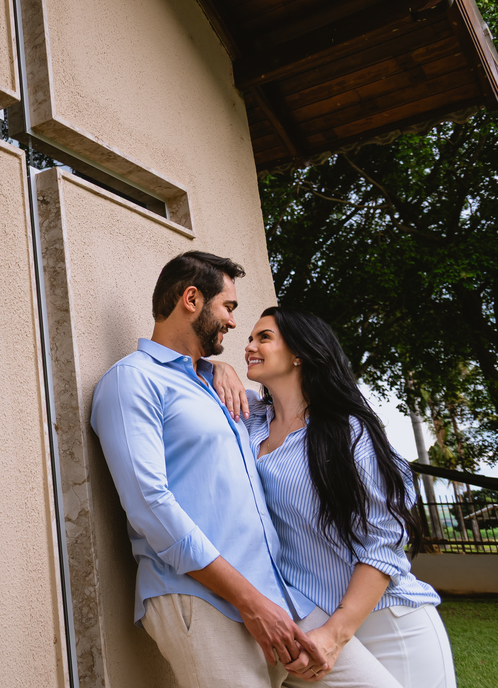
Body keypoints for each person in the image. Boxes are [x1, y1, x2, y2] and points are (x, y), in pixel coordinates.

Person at [91, 251, 401, 688]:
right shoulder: (132, 381)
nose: (234, 324)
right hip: (204, 598)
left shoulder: (219, 386)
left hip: (279, 594)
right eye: (229, 307)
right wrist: (249, 601)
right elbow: (149, 505)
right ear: (192, 299)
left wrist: (220, 367)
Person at [212, 307, 455, 687]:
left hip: (386, 621)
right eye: (249, 338)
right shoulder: (251, 420)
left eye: (263, 337)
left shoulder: (348, 432)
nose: (248, 346)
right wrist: (217, 369)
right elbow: (188, 377)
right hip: (310, 618)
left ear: (299, 353)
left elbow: (382, 542)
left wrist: (337, 632)